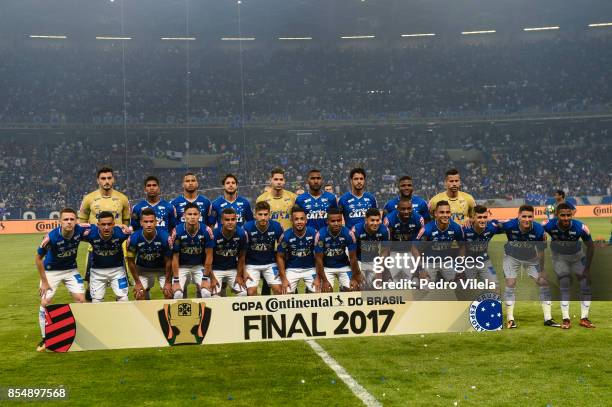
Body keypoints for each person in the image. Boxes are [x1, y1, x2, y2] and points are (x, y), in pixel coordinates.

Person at [35, 208, 89, 352]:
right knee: (45, 303)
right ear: (60, 222)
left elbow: (100, 226)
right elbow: (38, 259)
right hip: (51, 272)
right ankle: (45, 339)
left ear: (76, 220)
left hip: (71, 270)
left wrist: (120, 226)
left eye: (72, 219)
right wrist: (44, 281)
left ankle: (80, 334)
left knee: (81, 300)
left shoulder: (80, 229)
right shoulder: (51, 237)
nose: (69, 222)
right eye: (66, 219)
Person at [499, 205, 559, 329]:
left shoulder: (539, 230)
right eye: (524, 216)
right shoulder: (509, 225)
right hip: (511, 256)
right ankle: (510, 319)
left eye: (530, 216)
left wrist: (541, 270)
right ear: (518, 216)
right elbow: (492, 226)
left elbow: (541, 252)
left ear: (533, 217)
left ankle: (548, 318)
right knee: (510, 282)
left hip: (531, 258)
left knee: (543, 282)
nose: (527, 219)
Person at [78, 166, 131, 302]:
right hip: (95, 247)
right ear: (98, 181)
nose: (106, 181)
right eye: (103, 178)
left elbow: (125, 222)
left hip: (117, 245)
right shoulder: (89, 198)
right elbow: (82, 223)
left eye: (109, 178)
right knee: (90, 285)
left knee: (122, 289)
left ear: (113, 179)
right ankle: (93, 312)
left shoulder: (123, 198)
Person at [543, 203, 595, 329]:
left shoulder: (580, 227)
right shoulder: (548, 225)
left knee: (585, 284)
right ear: (557, 215)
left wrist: (587, 268)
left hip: (577, 256)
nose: (566, 218)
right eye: (562, 215)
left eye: (568, 215)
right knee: (564, 282)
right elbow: (537, 232)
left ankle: (584, 318)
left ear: (572, 214)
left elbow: (591, 246)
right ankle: (566, 319)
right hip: (559, 257)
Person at [81, 211, 131, 303]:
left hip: (118, 271)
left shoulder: (121, 232)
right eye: (103, 224)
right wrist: (51, 235)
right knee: (96, 301)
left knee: (124, 299)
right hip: (97, 272)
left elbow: (138, 232)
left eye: (109, 224)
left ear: (114, 224)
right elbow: (71, 228)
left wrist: (130, 237)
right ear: (98, 225)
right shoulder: (91, 232)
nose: (106, 227)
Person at [171, 203, 217, 298]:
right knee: (177, 294)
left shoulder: (206, 231)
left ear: (199, 216)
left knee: (206, 293)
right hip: (182, 267)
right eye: (189, 214)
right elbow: (175, 257)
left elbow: (209, 256)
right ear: (184, 216)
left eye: (195, 214)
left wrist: (205, 278)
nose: (192, 217)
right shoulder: (177, 231)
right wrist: (175, 280)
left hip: (198, 266)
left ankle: (203, 312)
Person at [126, 208, 173, 300]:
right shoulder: (134, 238)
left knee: (169, 293)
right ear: (141, 223)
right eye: (146, 222)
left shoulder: (165, 237)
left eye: (151, 221)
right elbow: (130, 261)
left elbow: (169, 261)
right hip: (143, 269)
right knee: (139, 294)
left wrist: (167, 282)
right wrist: (138, 283)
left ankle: (166, 313)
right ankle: (145, 312)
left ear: (156, 222)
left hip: (161, 269)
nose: (149, 225)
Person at [314, 208, 363, 292]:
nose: (336, 223)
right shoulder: (320, 235)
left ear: (342, 220)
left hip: (344, 266)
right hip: (327, 268)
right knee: (326, 291)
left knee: (353, 288)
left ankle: (343, 288)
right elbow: (319, 259)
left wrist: (354, 277)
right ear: (327, 221)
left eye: (339, 220)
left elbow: (353, 258)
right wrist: (324, 280)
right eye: (333, 221)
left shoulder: (348, 234)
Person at [416, 201, 465, 283]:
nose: (445, 215)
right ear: (435, 213)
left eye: (447, 212)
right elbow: (415, 249)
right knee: (424, 286)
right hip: (429, 263)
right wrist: (421, 269)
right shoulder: (427, 229)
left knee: (460, 284)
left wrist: (460, 267)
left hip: (448, 262)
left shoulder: (456, 228)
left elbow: (462, 247)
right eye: (442, 212)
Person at [243, 201, 284, 295]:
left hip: (270, 264)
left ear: (270, 215)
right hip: (251, 264)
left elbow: (282, 251)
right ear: (255, 215)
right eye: (260, 214)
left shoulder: (276, 227)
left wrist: (281, 269)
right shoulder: (246, 228)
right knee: (251, 292)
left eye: (266, 214)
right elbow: (242, 253)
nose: (263, 217)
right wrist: (244, 271)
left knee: (279, 290)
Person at [276, 206, 318, 294]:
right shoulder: (286, 235)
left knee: (318, 291)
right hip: (292, 269)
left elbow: (319, 256)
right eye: (296, 219)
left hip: (310, 268)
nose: (299, 222)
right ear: (292, 221)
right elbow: (280, 257)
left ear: (306, 220)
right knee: (284, 292)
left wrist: (318, 277)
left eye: (302, 219)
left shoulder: (314, 233)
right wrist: (283, 279)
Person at [211, 208, 248, 297]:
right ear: (222, 221)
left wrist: (239, 275)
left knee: (243, 293)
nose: (230, 222)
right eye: (227, 220)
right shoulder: (214, 234)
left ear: (236, 220)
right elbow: (207, 258)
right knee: (214, 296)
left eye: (233, 219)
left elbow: (242, 257)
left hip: (232, 269)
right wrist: (211, 277)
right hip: (216, 269)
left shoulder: (242, 234)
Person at [462, 205, 501, 286]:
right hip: (468, 263)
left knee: (494, 286)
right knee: (467, 291)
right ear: (473, 218)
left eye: (485, 217)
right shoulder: (464, 229)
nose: (483, 220)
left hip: (485, 261)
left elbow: (509, 223)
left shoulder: (492, 227)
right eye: (479, 217)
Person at [352, 208, 390, 289]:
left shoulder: (384, 230)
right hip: (359, 261)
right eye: (372, 220)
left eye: (377, 220)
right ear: (366, 219)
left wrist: (379, 268)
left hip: (374, 262)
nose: (375, 223)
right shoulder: (356, 230)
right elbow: (352, 254)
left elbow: (385, 250)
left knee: (374, 288)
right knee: (358, 287)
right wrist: (357, 272)